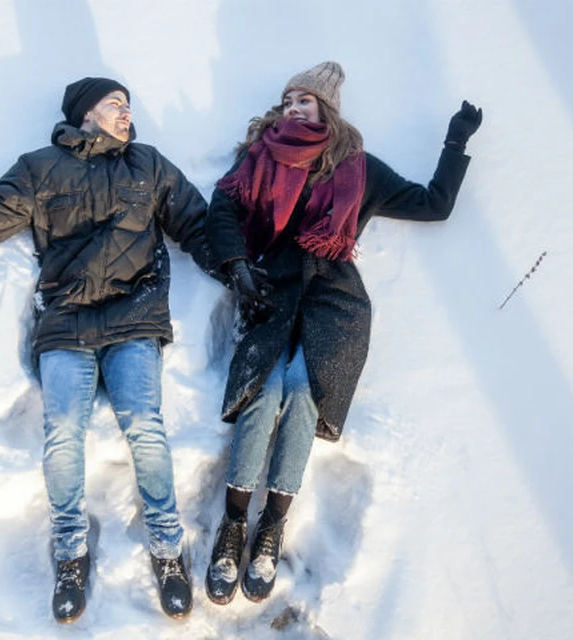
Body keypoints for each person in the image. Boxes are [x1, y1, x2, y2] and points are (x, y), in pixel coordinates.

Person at [0, 77, 216, 623]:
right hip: (66, 320)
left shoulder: (146, 164)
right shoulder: (39, 168)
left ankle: (168, 547)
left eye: (128, 105)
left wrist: (238, 267)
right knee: (63, 431)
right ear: (85, 114)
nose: (127, 114)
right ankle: (71, 550)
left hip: (134, 316)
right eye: (115, 104)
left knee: (144, 424)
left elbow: (198, 223)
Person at [203, 61, 482, 604]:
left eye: (303, 101)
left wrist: (455, 141)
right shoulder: (258, 157)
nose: (291, 108)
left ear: (325, 108)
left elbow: (434, 204)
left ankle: (271, 527)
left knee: (305, 393)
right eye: (286, 101)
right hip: (270, 286)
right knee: (266, 392)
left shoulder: (360, 168)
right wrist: (238, 266)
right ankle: (234, 523)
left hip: (335, 297)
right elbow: (223, 211)